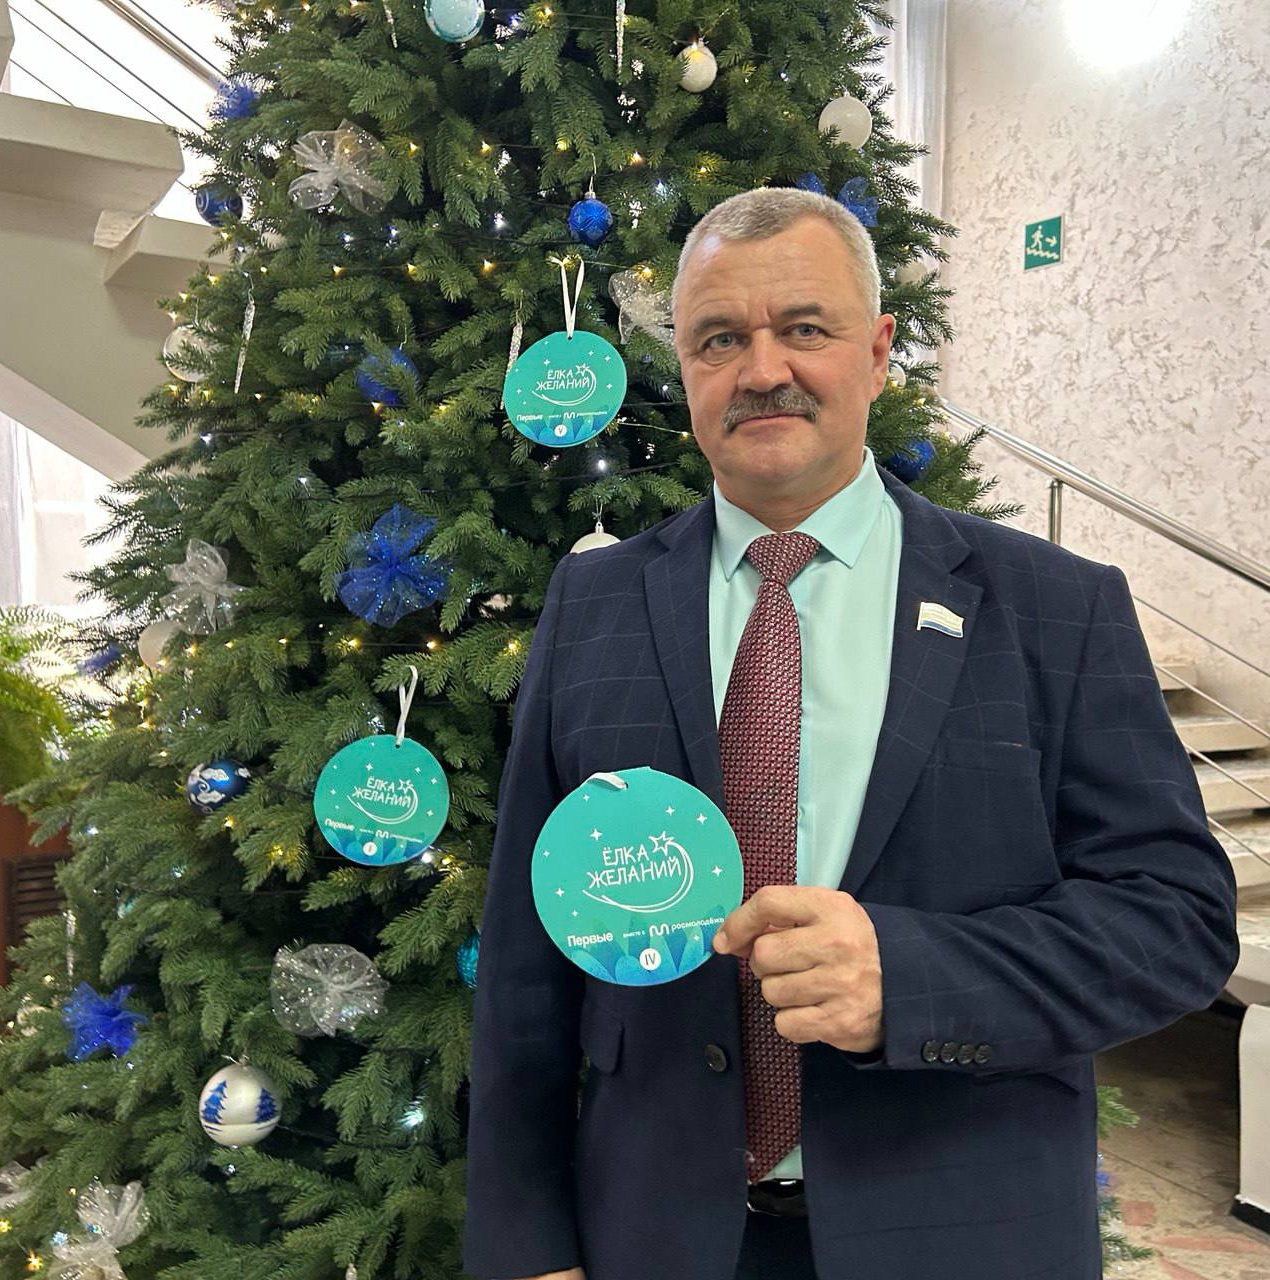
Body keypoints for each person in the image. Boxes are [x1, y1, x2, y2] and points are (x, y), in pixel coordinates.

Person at [462, 186, 1239, 1280]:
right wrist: (527, 1246)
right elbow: (525, 966)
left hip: (965, 1234)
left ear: (877, 354)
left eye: (804, 328)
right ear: (683, 367)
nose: (761, 369)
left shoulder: (1055, 607)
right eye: (719, 339)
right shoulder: (593, 603)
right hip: (655, 1233)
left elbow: (1177, 922)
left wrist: (909, 979)